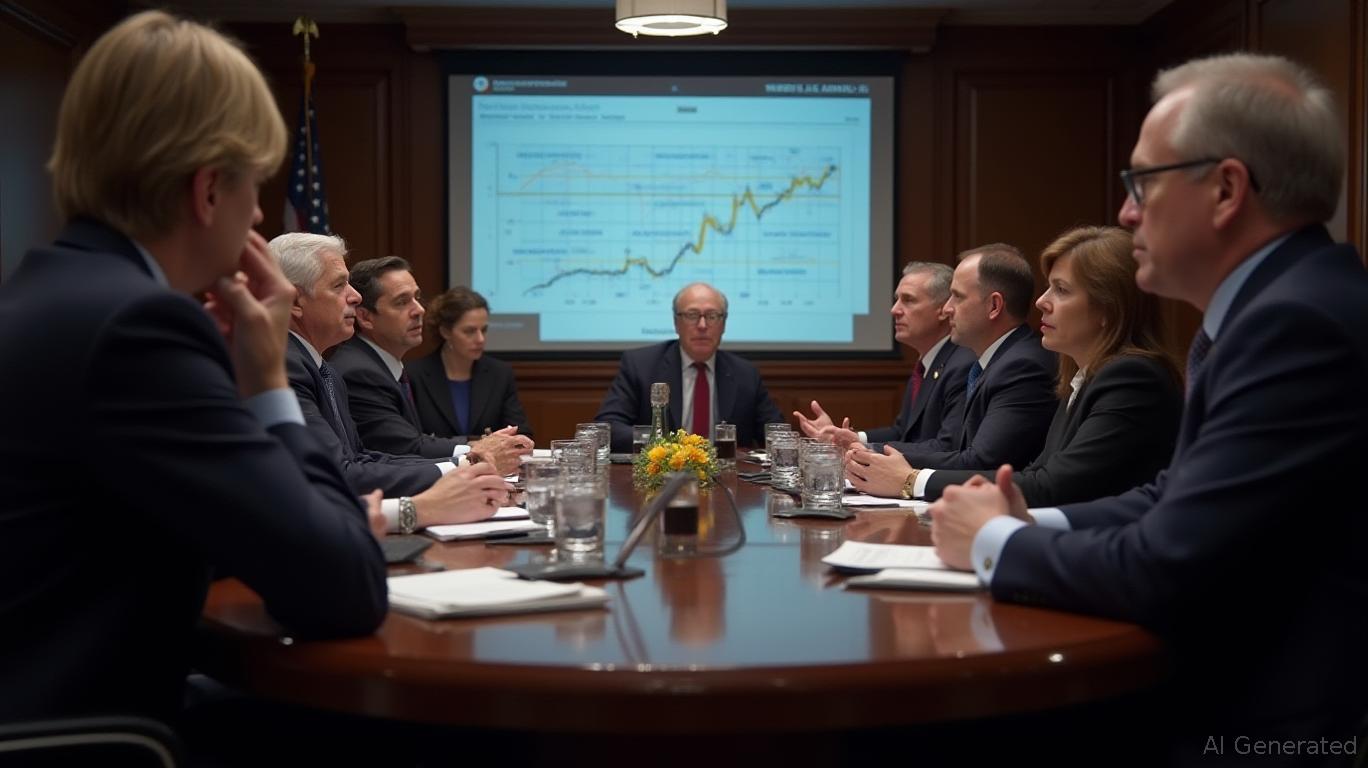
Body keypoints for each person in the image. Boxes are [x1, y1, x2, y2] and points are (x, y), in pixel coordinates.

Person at [929, 53, 1368, 763]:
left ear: (1226, 190)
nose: (1126, 212)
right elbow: (1173, 495)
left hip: (1255, 728)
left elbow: (1166, 568)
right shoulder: (1282, 305)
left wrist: (995, 541)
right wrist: (1028, 519)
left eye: (1142, 182)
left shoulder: (1296, 326)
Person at [0, 11, 387, 723]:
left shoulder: (48, 290)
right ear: (209, 192)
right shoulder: (138, 328)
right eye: (255, 188)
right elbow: (345, 589)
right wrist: (268, 382)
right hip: (103, 731)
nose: (261, 216)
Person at [849, 226, 1183, 506]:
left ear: (1107, 309)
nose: (1041, 301)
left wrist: (912, 481)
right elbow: (1036, 474)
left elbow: (1052, 486)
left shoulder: (1131, 377)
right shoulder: (1082, 377)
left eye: (1061, 290)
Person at [270, 233, 512, 533]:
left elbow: (361, 458)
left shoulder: (323, 369)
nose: (355, 296)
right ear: (295, 301)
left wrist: (465, 464)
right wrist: (457, 471)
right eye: (338, 285)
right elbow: (340, 474)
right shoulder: (284, 366)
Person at [847, 245, 1057, 493]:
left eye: (957, 296)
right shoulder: (996, 361)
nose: (947, 308)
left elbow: (981, 461)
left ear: (994, 306)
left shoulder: (1022, 367)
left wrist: (900, 473)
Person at [331, 260, 533, 459]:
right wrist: (477, 447)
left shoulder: (383, 367)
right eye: (402, 302)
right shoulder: (360, 372)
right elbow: (403, 446)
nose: (419, 310)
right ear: (365, 317)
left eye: (417, 297)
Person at [794, 261, 975, 452]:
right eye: (897, 300)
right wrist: (849, 438)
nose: (894, 310)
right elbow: (902, 432)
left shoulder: (961, 366)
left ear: (943, 309)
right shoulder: (928, 363)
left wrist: (866, 449)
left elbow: (947, 447)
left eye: (908, 300)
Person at [595, 282, 783, 452]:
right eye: (692, 315)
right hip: (663, 473)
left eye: (712, 316)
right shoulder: (641, 365)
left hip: (725, 475)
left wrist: (799, 437)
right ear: (676, 323)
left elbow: (775, 434)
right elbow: (608, 427)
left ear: (724, 324)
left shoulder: (745, 374)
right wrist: (661, 444)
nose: (702, 325)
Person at [405, 285, 533, 443]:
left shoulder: (499, 373)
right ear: (445, 332)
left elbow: (522, 433)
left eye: (483, 330)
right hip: (437, 459)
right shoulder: (414, 375)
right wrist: (469, 443)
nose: (480, 339)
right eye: (470, 331)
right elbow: (410, 440)